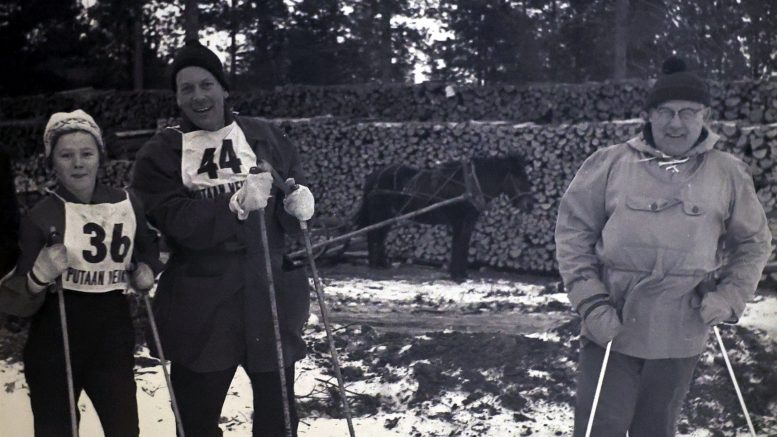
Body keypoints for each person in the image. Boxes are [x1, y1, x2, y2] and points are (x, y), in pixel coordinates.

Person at [555, 56, 772, 437]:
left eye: (688, 112)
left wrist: (729, 296)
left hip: (681, 327)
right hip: (614, 322)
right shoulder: (610, 163)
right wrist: (590, 302)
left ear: (704, 115)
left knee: (656, 429)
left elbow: (754, 241)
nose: (676, 123)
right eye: (666, 112)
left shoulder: (727, 172)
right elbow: (573, 234)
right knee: (599, 428)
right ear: (649, 115)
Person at [130, 39, 315, 437]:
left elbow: (290, 194)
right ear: (177, 97)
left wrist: (298, 204)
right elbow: (175, 220)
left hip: (269, 297)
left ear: (224, 88)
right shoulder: (160, 154)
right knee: (196, 420)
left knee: (279, 421)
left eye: (207, 84)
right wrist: (232, 206)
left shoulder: (264, 137)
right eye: (187, 88)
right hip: (203, 306)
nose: (198, 96)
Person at [3, 110, 160, 436]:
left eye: (86, 154)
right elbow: (14, 303)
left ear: (100, 158)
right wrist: (37, 277)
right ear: (52, 162)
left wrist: (146, 271)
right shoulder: (40, 215)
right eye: (66, 155)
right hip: (55, 338)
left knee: (124, 428)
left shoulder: (126, 203)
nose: (78, 163)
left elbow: (146, 249)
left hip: (111, 336)